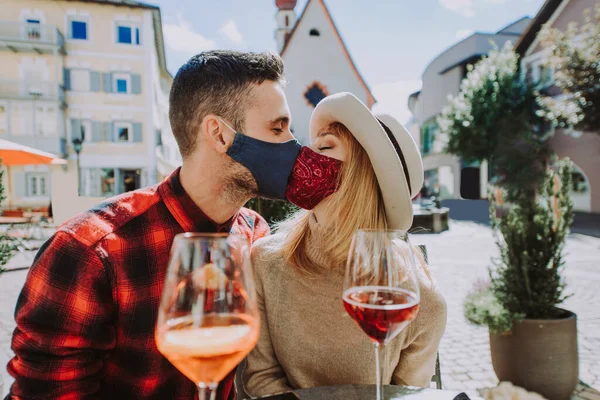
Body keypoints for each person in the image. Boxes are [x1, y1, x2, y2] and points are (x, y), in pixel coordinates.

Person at [6, 50, 307, 399]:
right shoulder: (90, 252)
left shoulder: (253, 231)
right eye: (277, 127)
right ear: (219, 135)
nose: (291, 144)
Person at [242, 93, 447, 397]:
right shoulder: (264, 261)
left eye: (324, 146)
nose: (305, 156)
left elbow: (406, 397)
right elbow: (259, 380)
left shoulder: (422, 303)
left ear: (364, 177)